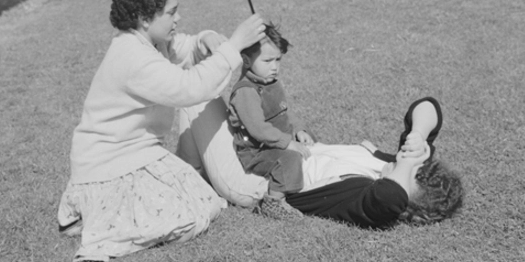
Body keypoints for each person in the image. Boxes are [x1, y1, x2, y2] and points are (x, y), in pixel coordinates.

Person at [57, 0, 267, 262]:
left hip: (135, 155)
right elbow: (189, 88)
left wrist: (206, 38)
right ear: (145, 17)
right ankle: (98, 216)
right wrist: (235, 45)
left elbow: (184, 47)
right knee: (191, 216)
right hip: (110, 166)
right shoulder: (133, 57)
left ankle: (117, 207)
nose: (177, 18)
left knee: (203, 200)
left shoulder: (149, 41)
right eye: (171, 12)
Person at [178, 95, 463, 230]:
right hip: (267, 153)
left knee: (195, 96)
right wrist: (417, 136)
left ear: (405, 205)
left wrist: (408, 164)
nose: (403, 158)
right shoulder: (391, 166)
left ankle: (189, 182)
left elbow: (391, 195)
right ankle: (194, 177)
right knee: (207, 88)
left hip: (252, 180)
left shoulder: (370, 203)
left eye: (407, 170)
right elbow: (429, 105)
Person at [226, 23, 315, 220]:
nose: (274, 67)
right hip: (258, 151)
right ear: (246, 60)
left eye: (278, 60)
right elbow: (258, 129)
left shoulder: (269, 81)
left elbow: (284, 112)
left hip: (276, 140)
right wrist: (288, 143)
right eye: (267, 60)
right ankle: (274, 202)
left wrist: (299, 130)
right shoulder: (246, 91)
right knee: (288, 159)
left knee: (310, 141)